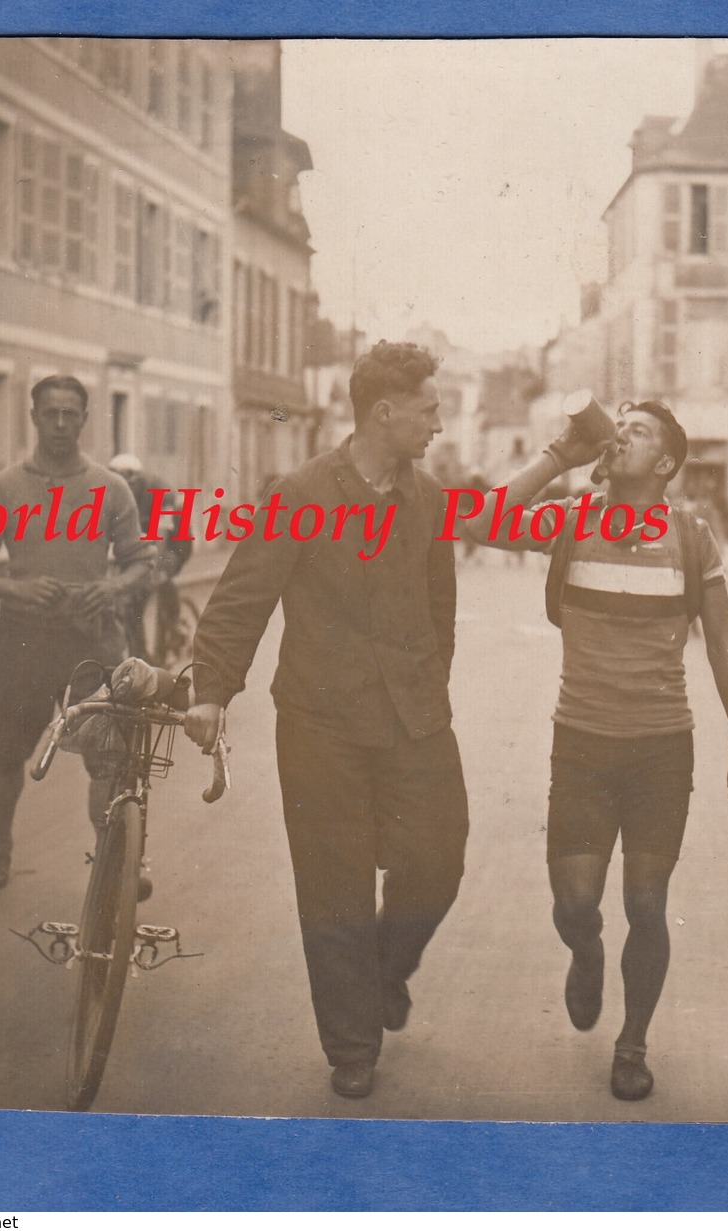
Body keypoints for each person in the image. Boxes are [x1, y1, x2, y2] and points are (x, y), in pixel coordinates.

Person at [463, 398, 728, 1102]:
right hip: (582, 741)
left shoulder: (690, 534)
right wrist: (559, 456)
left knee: (647, 901)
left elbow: (722, 641)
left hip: (662, 747)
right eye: (619, 425)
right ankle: (585, 949)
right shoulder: (571, 517)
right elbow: (474, 521)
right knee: (575, 903)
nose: (620, 434)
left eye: (637, 431)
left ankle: (631, 1041)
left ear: (664, 463)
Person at [183, 341, 468, 1101]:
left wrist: (428, 680)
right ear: (385, 411)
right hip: (320, 719)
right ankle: (351, 1042)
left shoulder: (430, 500)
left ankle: (384, 970)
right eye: (429, 408)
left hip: (413, 715)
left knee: (438, 858)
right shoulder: (300, 493)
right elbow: (245, 595)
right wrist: (211, 687)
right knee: (333, 882)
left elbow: (441, 608)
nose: (438, 423)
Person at [0, 376, 157, 891]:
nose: (61, 424)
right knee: (7, 750)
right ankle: (0, 850)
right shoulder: (1, 488)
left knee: (106, 757)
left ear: (86, 420)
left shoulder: (110, 489)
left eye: (71, 414)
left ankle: (114, 864)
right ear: (34, 417)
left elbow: (141, 563)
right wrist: (15, 590)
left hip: (92, 643)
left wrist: (112, 588)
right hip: (22, 640)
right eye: (51, 414)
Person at [107, 453, 192, 662]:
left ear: (135, 478)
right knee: (132, 601)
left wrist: (154, 569)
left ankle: (173, 627)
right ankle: (141, 654)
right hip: (142, 542)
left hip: (176, 541)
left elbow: (161, 536)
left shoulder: (159, 492)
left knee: (160, 575)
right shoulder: (113, 492)